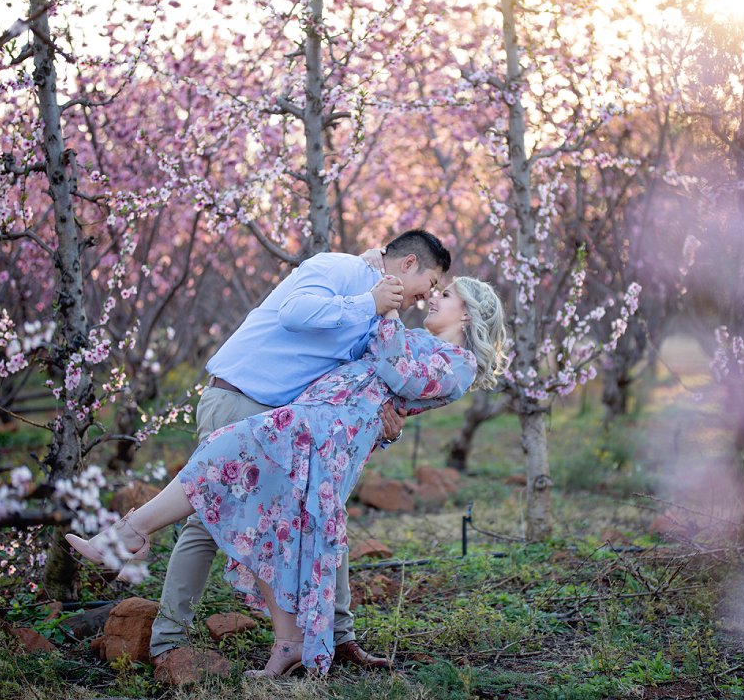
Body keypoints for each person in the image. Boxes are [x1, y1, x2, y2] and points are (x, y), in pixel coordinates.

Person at [67, 277, 508, 675]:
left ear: (466, 312)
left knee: (221, 454)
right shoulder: (416, 339)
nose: (433, 296)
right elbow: (380, 380)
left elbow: (400, 376)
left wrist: (388, 309)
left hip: (326, 432)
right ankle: (288, 645)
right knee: (267, 521)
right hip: (316, 420)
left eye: (446, 294)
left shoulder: (460, 364)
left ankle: (130, 534)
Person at [146, 229, 451, 670]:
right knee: (206, 520)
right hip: (241, 400)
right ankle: (167, 642)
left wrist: (391, 426)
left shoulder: (381, 317)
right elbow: (294, 312)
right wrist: (369, 302)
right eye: (429, 285)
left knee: (325, 513)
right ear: (408, 266)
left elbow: (358, 388)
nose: (424, 299)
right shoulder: (341, 268)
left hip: (285, 424)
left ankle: (339, 640)